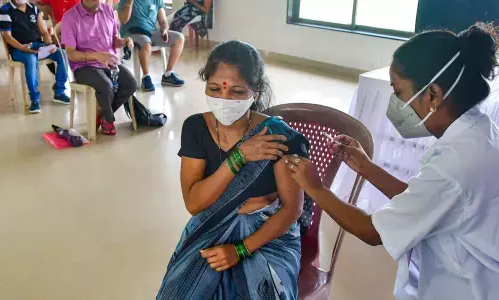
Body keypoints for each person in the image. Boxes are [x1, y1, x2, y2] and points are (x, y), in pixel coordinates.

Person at [285, 23, 499, 300]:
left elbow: (373, 231)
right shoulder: (479, 130)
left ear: (433, 95)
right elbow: (425, 200)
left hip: (467, 288)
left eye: (399, 93)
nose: (396, 104)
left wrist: (315, 189)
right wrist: (366, 167)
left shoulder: (456, 163)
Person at [156, 41, 310, 300]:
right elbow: (195, 204)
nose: (223, 99)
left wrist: (240, 249)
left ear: (256, 92)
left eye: (237, 92)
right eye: (214, 89)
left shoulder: (278, 137)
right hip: (211, 227)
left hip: (268, 236)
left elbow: (291, 209)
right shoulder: (196, 128)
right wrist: (238, 157)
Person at [62, 0, 137, 136]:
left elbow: (114, 40)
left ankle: (103, 115)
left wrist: (123, 42)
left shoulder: (108, 10)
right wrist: (96, 56)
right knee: (105, 85)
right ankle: (108, 120)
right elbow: (71, 54)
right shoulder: (70, 17)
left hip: (110, 62)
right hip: (84, 66)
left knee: (131, 83)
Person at [0, 0, 70, 113]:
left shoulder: (33, 8)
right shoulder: (5, 10)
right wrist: (23, 48)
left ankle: (59, 91)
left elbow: (43, 31)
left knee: (61, 53)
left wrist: (48, 42)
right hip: (18, 48)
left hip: (37, 45)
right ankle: (34, 98)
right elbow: (7, 37)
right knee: (31, 59)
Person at [118, 0, 185, 91]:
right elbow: (123, 20)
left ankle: (168, 74)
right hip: (132, 32)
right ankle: (146, 77)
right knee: (145, 42)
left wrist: (164, 29)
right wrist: (129, 3)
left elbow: (163, 21)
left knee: (179, 37)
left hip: (151, 32)